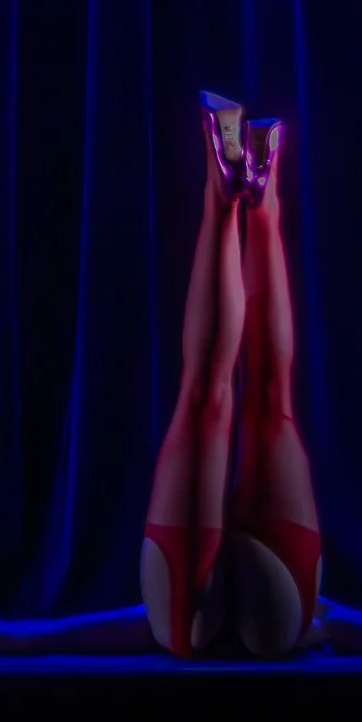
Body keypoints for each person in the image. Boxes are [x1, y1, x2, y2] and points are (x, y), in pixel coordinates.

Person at [141, 92, 319, 657]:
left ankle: (253, 189)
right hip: (263, 613)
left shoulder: (327, 627)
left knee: (257, 399)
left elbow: (59, 637)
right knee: (218, 398)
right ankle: (239, 197)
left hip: (255, 613)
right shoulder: (327, 631)